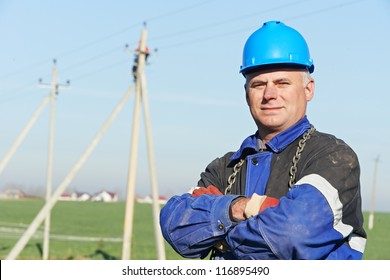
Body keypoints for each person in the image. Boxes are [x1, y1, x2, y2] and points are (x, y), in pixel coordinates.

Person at [159, 20, 367, 260]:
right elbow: (176, 226)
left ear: (308, 89)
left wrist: (218, 230)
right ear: (247, 94)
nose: (269, 94)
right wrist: (241, 207)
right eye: (258, 84)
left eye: (282, 83)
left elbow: (292, 234)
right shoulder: (224, 167)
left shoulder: (333, 157)